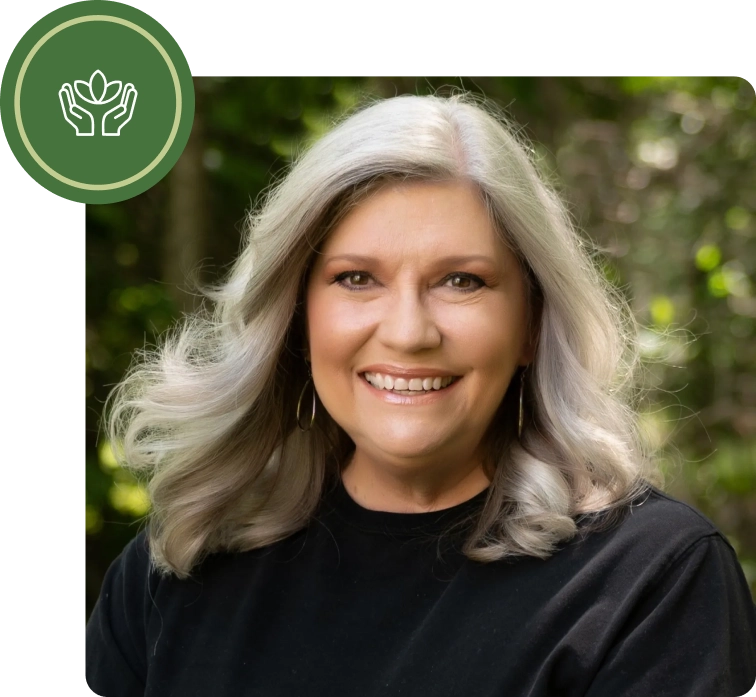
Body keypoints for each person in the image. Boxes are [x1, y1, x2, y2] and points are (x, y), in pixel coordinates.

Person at [84, 93, 756, 696]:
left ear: (532, 323)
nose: (408, 332)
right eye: (356, 279)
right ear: (295, 316)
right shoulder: (176, 569)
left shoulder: (650, 580)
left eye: (461, 281)